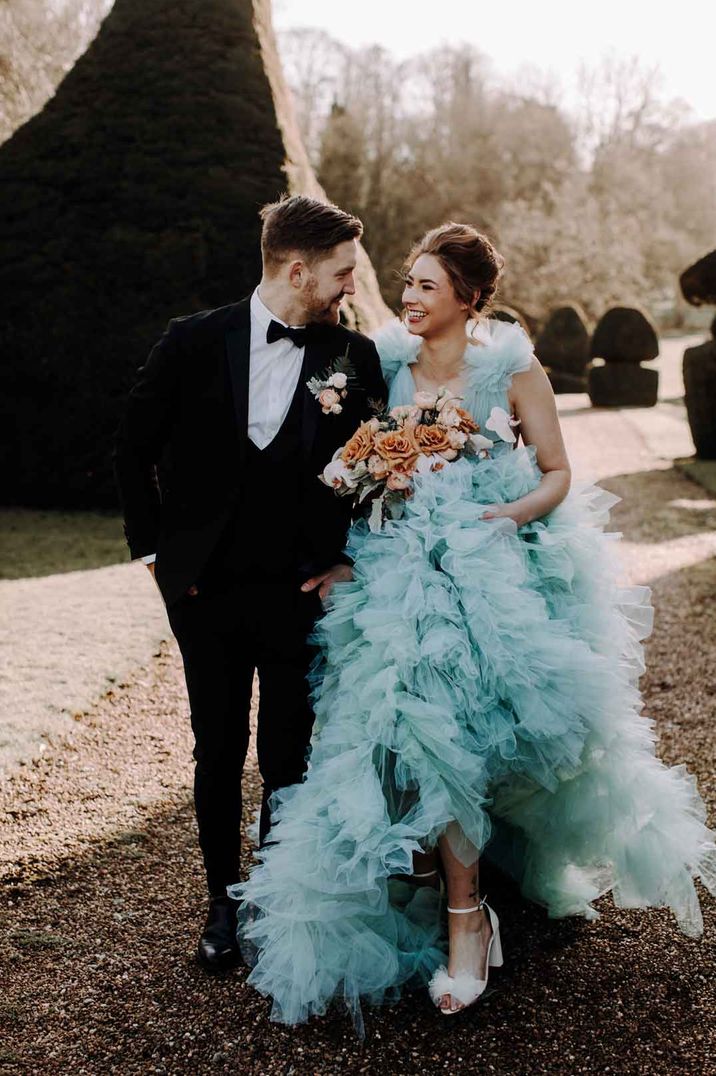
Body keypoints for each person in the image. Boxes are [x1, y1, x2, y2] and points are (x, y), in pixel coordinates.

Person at [233, 222, 716, 1026]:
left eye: (426, 284)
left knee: (471, 733)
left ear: (467, 296)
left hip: (494, 568)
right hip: (394, 569)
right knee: (394, 732)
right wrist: (364, 483)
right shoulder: (379, 362)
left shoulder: (510, 367)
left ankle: (470, 914)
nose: (411, 297)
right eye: (408, 282)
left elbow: (559, 471)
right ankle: (435, 885)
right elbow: (348, 457)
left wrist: (507, 514)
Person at [113, 195, 387, 972]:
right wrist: (155, 558)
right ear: (297, 270)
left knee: (288, 755)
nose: (347, 288)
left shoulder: (354, 359)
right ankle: (219, 902)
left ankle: (273, 897)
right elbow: (133, 448)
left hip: (302, 592)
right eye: (339, 273)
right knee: (217, 747)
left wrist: (348, 563)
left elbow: (380, 475)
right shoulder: (192, 342)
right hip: (204, 594)